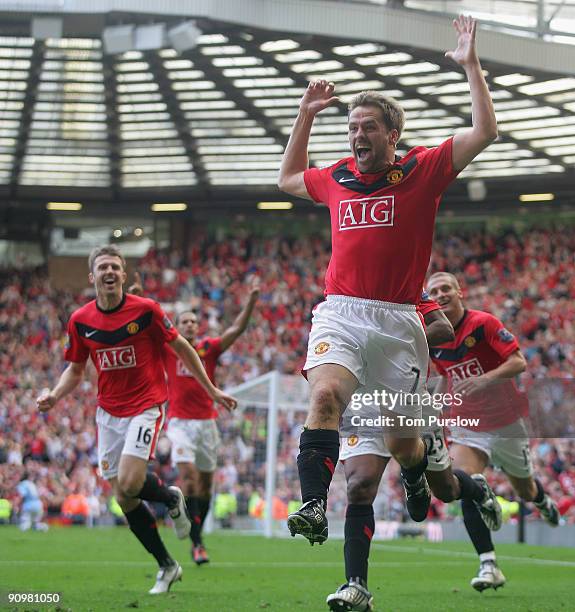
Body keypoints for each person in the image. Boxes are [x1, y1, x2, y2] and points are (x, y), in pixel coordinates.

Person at [277, 14, 497, 546]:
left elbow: (486, 132)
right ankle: (311, 504)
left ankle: (423, 469)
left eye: (367, 127)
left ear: (391, 135)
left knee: (406, 445)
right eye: (351, 127)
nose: (357, 135)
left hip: (400, 320)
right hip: (341, 311)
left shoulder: (422, 170)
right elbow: (286, 179)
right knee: (325, 396)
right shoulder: (337, 178)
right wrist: (305, 116)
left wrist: (471, 66)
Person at [36, 245, 237, 595]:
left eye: (115, 266)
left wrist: (212, 389)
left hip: (146, 406)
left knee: (130, 482)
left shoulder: (146, 311)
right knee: (124, 498)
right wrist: (54, 394)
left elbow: (183, 348)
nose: (109, 272)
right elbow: (75, 369)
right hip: (108, 414)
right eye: (103, 267)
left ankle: (170, 499)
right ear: (92, 277)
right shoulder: (80, 320)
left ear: (123, 275)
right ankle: (167, 565)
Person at [326, 293, 501, 611]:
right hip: (364, 405)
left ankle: (473, 489)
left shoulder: (407, 291)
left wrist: (390, 340)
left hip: (409, 399)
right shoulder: (342, 296)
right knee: (359, 486)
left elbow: (444, 330)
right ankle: (357, 586)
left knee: (446, 491)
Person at [426, 271, 560, 592]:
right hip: (468, 423)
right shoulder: (433, 337)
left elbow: (518, 362)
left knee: (525, 490)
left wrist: (484, 380)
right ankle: (488, 564)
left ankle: (541, 501)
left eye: (447, 288)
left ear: (461, 292)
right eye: (434, 291)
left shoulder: (483, 323)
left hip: (507, 421)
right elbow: (446, 376)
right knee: (462, 479)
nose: (441, 294)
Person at [156, 277, 259, 564]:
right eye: (184, 322)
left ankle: (197, 540)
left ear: (197, 327)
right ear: (176, 326)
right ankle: (196, 541)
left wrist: (250, 300)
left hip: (206, 424)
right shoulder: (168, 348)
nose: (189, 325)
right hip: (179, 424)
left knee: (204, 487)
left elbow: (236, 329)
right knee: (187, 479)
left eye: (192, 322)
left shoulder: (208, 349)